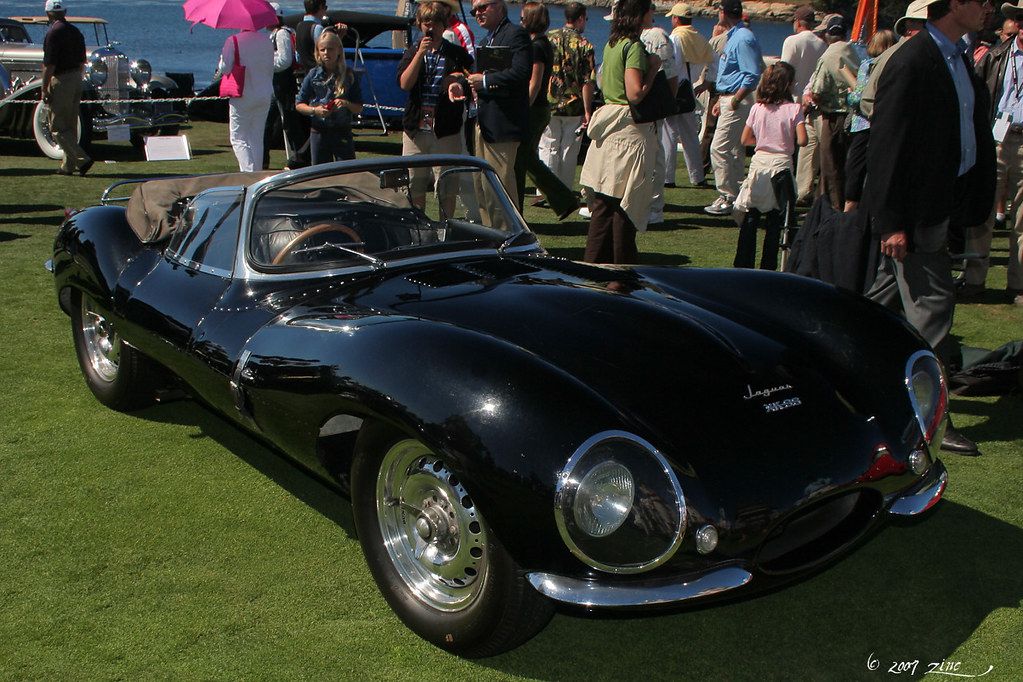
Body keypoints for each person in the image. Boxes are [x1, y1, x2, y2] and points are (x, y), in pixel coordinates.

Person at [862, 0, 996, 457]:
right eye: (981, 0)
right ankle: (933, 419)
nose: (989, 9)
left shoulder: (957, 56)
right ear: (954, 4)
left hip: (939, 206)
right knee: (932, 311)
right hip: (915, 214)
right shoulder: (914, 59)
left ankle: (838, 375)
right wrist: (892, 223)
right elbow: (887, 145)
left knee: (875, 308)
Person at [579, 0, 660, 264]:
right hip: (628, 130)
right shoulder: (633, 46)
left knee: (604, 205)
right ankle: (621, 270)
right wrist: (653, 69)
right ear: (639, 14)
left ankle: (594, 266)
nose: (653, 13)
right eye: (649, 9)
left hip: (609, 126)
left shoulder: (612, 44)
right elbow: (634, 93)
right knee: (626, 205)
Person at [961, 0, 1023, 306]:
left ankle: (1018, 285)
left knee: (1022, 220)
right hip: (994, 140)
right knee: (982, 212)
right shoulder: (996, 55)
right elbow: (976, 95)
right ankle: (974, 280)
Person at [397, 1, 472, 208]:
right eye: (426, 23)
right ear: (420, 25)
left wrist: (458, 81)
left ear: (443, 25)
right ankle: (418, 223)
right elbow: (404, 83)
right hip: (415, 130)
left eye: (436, 23)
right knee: (413, 184)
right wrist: (419, 54)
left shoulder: (456, 53)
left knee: (447, 185)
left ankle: (446, 224)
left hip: (445, 131)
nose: (431, 28)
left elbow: (471, 78)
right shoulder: (412, 51)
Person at [732, 62, 806, 270]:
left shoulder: (757, 108)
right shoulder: (794, 109)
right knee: (776, 219)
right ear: (788, 84)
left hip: (760, 163)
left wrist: (764, 141)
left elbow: (745, 139)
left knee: (751, 215)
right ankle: (769, 265)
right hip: (782, 164)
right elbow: (802, 140)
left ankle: (743, 263)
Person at [513, 2, 578, 219]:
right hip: (539, 108)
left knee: (520, 159)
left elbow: (535, 82)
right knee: (528, 159)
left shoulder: (537, 47)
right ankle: (563, 199)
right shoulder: (541, 44)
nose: (520, 22)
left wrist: (523, 107)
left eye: (523, 18)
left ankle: (519, 211)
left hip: (534, 109)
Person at [466, 0, 531, 219]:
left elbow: (521, 72)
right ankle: (490, 234)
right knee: (482, 187)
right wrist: (461, 84)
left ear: (500, 6)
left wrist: (485, 81)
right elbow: (474, 76)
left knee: (499, 188)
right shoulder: (486, 40)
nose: (477, 13)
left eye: (482, 7)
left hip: (503, 125)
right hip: (483, 123)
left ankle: (509, 235)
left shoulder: (516, 35)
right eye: (474, 10)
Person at [704, 0, 763, 216]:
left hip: (736, 99)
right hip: (729, 97)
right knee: (734, 150)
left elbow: (752, 73)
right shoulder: (736, 36)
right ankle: (737, 194)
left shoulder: (742, 38)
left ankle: (727, 195)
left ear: (724, 12)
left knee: (719, 148)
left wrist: (735, 99)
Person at [538, 2, 596, 191]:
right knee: (568, 150)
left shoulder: (548, 38)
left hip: (549, 101)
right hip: (574, 105)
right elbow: (587, 81)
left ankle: (545, 189)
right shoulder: (585, 45)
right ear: (580, 18)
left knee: (548, 146)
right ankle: (563, 190)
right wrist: (588, 110)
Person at [807, 14, 861, 211]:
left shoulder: (828, 56)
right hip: (854, 117)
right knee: (848, 165)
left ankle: (834, 210)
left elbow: (817, 91)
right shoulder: (852, 51)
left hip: (833, 117)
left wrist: (815, 103)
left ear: (828, 34)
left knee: (831, 167)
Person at [844, 29, 896, 212]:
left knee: (855, 169)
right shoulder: (895, 65)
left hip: (863, 123)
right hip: (886, 124)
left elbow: (859, 98)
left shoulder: (868, 66)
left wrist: (849, 95)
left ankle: (850, 208)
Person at [664, 3, 713, 189]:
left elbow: (673, 66)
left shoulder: (675, 38)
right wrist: (706, 82)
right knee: (691, 136)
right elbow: (714, 60)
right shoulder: (699, 37)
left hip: (675, 89)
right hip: (689, 90)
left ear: (676, 19)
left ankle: (668, 177)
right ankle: (697, 176)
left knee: (669, 133)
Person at [296, 30, 363, 164]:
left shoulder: (349, 75)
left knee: (345, 171)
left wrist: (345, 104)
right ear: (318, 52)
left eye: (330, 49)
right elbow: (299, 104)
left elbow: (359, 107)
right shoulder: (313, 75)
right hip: (319, 131)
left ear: (338, 51)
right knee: (320, 171)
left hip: (342, 131)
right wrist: (315, 110)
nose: (326, 53)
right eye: (323, 50)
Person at [781, 5, 826, 204]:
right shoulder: (822, 44)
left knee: (787, 147)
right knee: (806, 147)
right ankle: (804, 188)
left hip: (793, 98)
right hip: (812, 100)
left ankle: (789, 188)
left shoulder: (792, 41)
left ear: (798, 22)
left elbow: (784, 71)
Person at [40, 0, 91, 176]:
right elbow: (82, 60)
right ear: (65, 12)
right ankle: (68, 165)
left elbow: (49, 64)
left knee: (57, 126)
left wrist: (44, 87)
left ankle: (82, 159)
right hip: (76, 77)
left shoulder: (53, 33)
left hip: (61, 79)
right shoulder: (75, 31)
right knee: (70, 124)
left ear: (48, 14)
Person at [219, 24, 274, 172]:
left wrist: (222, 58)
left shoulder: (233, 41)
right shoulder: (267, 41)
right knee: (256, 137)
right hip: (264, 93)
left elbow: (225, 68)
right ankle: (256, 172)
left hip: (243, 93)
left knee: (238, 137)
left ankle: (248, 173)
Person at [641, 13, 679, 224]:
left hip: (652, 106)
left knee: (654, 156)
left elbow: (670, 74)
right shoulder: (628, 38)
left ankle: (654, 207)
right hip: (639, 106)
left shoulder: (657, 36)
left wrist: (667, 104)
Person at [263, 3, 303, 169]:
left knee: (288, 121)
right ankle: (264, 159)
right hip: (277, 83)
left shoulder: (281, 34)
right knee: (270, 121)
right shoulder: (279, 33)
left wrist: (265, 63)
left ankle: (298, 157)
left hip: (283, 82)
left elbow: (285, 61)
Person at [296, 0, 328, 73]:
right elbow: (325, 55)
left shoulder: (299, 26)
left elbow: (298, 57)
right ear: (321, 7)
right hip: (318, 72)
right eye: (325, 8)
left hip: (306, 72)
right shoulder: (317, 28)